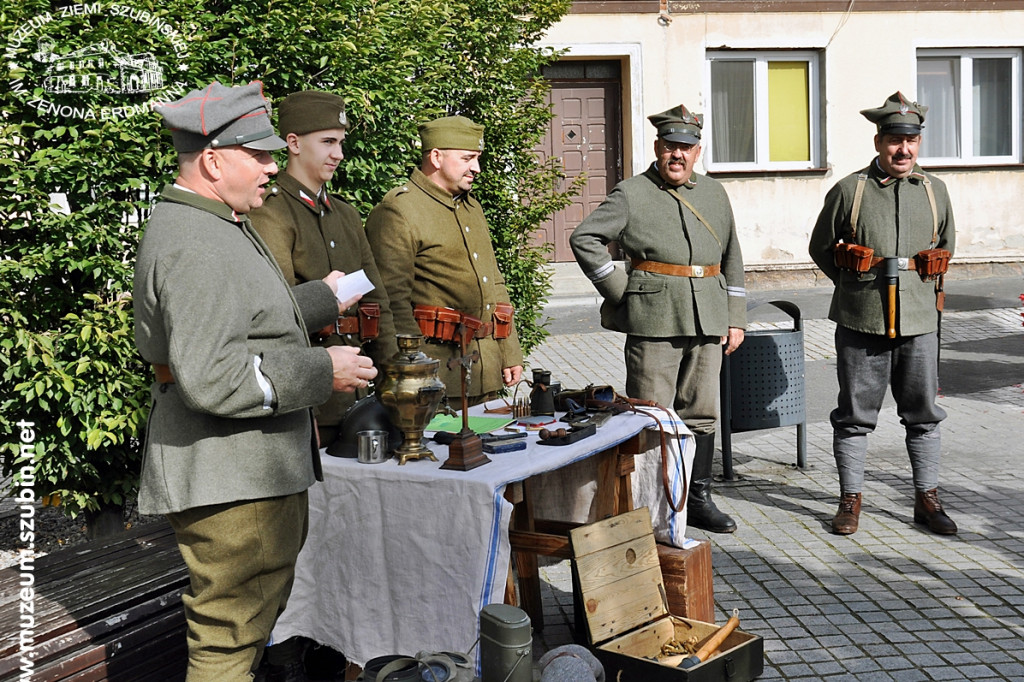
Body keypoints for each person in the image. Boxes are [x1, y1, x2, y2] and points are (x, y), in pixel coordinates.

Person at [133, 81, 377, 681]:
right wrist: (325, 368)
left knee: (244, 633)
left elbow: (243, 317)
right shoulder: (197, 241)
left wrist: (322, 298)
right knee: (228, 644)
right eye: (260, 155)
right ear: (214, 161)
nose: (274, 166)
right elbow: (213, 376)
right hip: (232, 480)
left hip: (241, 472)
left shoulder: (213, 222)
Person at [570, 104, 747, 534]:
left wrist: (735, 317)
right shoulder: (632, 193)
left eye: (686, 148)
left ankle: (698, 498)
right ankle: (651, 501)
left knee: (702, 413)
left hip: (708, 317)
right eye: (670, 146)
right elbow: (585, 238)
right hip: (653, 319)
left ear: (697, 151)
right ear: (657, 146)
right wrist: (619, 289)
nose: (677, 155)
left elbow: (732, 256)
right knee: (651, 413)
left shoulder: (714, 194)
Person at [809, 91, 957, 536]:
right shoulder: (850, 190)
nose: (903, 150)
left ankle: (926, 499)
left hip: (919, 321)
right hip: (862, 321)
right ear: (878, 142)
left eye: (911, 141)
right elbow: (821, 248)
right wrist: (855, 286)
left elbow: (946, 246)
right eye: (894, 140)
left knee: (924, 414)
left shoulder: (935, 191)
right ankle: (850, 500)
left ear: (919, 143)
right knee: (854, 416)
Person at [250, 90, 398, 456]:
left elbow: (379, 303)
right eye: (328, 142)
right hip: (314, 400)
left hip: (362, 394)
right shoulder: (270, 212)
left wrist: (395, 380)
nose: (339, 154)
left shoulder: (345, 215)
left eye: (341, 142)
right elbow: (276, 314)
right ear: (294, 143)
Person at [365, 115, 523, 406]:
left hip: (484, 373)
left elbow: (494, 282)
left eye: (477, 158)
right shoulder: (399, 211)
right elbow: (389, 300)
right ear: (436, 157)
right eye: (467, 158)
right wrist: (406, 374)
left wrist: (509, 351)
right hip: (434, 380)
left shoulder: (471, 208)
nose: (476, 168)